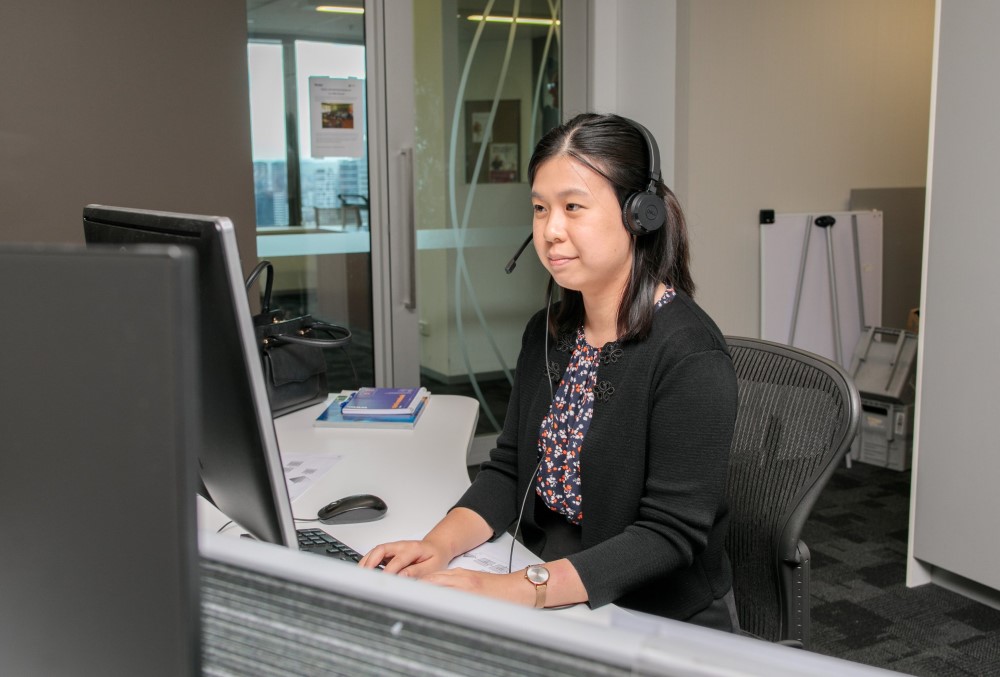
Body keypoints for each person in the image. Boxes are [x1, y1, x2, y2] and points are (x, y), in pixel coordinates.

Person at [360, 113, 740, 632]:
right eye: (540, 209)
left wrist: (514, 589)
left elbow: (667, 536)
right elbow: (512, 469)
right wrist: (437, 546)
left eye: (573, 207)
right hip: (557, 571)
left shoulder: (689, 355)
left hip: (652, 610)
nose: (550, 230)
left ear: (639, 216)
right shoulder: (550, 330)